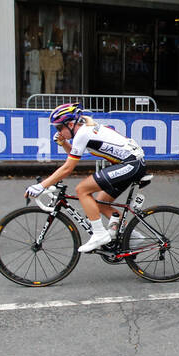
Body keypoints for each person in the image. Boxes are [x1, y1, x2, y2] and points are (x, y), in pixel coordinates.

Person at [30, 104, 147, 253]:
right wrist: (64, 143)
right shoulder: (84, 129)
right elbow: (75, 155)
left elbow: (68, 168)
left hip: (131, 164)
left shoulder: (83, 133)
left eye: (59, 128)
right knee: (100, 204)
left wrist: (41, 186)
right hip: (131, 164)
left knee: (82, 190)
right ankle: (134, 238)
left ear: (71, 124)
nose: (58, 131)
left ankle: (99, 234)